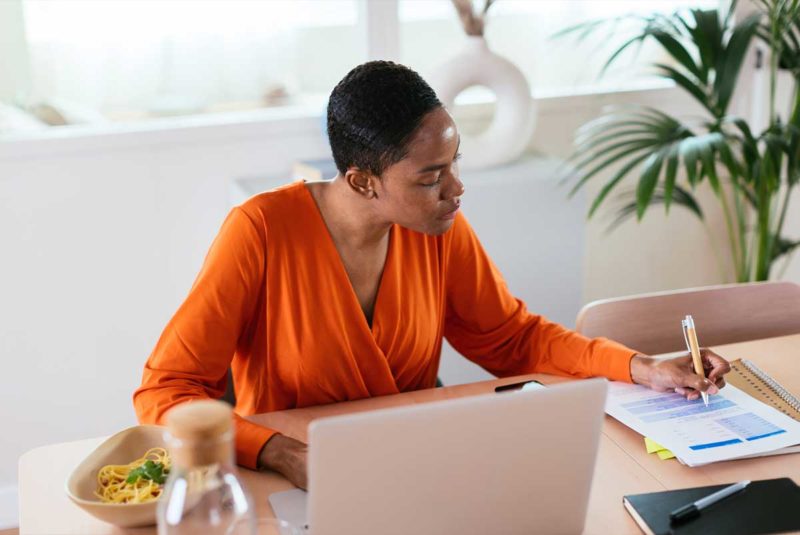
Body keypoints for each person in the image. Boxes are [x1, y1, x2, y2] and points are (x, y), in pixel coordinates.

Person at [134, 61, 730, 490]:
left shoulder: (438, 230)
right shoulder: (260, 231)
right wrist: (283, 454)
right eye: (430, 177)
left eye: (454, 164)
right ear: (363, 180)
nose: (455, 189)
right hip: (286, 481)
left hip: (413, 466)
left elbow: (514, 339)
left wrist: (640, 367)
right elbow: (165, 392)